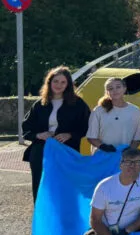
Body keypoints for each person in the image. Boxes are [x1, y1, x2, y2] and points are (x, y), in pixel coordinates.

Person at [22, 66, 91, 202]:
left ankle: (65, 219)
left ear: (68, 84)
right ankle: (43, 220)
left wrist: (70, 135)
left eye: (63, 82)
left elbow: (87, 126)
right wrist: (38, 135)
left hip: (67, 151)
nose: (59, 85)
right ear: (49, 83)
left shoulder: (78, 104)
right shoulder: (39, 104)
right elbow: (26, 128)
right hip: (41, 152)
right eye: (56, 81)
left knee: (65, 186)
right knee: (41, 187)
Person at [86, 77, 140, 154]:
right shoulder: (98, 110)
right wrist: (104, 147)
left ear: (124, 89)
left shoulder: (135, 110)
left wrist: (128, 151)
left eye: (118, 87)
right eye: (110, 88)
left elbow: (138, 137)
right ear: (107, 92)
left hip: (125, 158)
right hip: (102, 156)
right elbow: (91, 137)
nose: (115, 90)